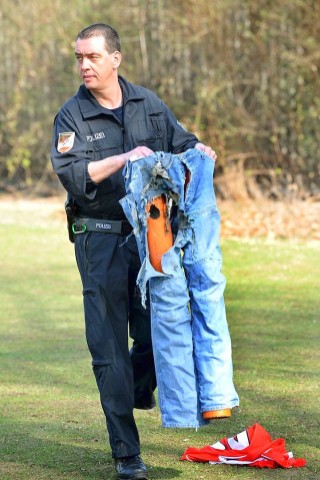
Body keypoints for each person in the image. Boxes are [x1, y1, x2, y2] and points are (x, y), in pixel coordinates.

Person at [51, 23, 217, 480]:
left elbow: (181, 143)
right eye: (79, 58)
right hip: (98, 235)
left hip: (148, 236)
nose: (85, 65)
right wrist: (124, 159)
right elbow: (74, 172)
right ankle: (128, 454)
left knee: (154, 334)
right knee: (109, 349)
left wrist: (198, 148)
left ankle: (139, 389)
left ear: (116, 59)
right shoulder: (72, 116)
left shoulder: (148, 102)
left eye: (93, 57)